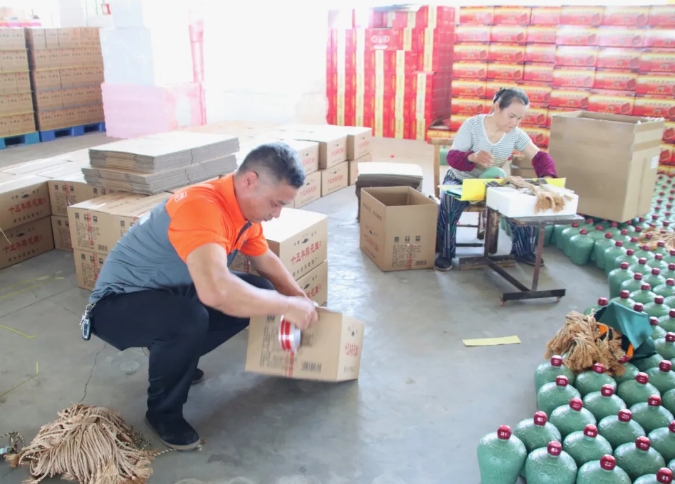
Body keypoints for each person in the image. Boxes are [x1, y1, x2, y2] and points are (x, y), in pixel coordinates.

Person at [81, 142, 319, 451]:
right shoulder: (202, 206)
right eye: (276, 203)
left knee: (260, 291)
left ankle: (175, 358)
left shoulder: (243, 212)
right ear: (250, 180)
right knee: (188, 319)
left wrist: (301, 299)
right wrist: (287, 305)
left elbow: (265, 261)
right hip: (117, 304)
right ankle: (163, 413)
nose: (276, 214)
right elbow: (216, 291)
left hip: (169, 292)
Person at [435, 87, 558, 271]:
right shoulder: (472, 126)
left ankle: (523, 250)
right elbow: (452, 158)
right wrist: (472, 157)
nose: (515, 123)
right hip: (461, 179)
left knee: (523, 201)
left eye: (520, 118)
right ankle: (445, 253)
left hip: (492, 183)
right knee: (449, 203)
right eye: (511, 116)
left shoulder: (515, 134)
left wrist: (547, 178)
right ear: (498, 107)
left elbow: (539, 157)